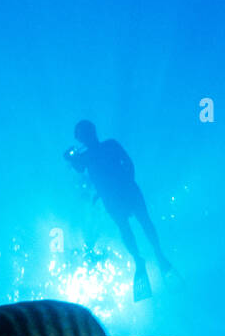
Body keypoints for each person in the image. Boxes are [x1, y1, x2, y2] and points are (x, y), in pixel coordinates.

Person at [64, 120, 172, 301]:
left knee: (135, 225)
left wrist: (70, 156)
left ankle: (148, 257)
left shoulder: (103, 148)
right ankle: (150, 256)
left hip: (120, 194)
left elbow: (126, 163)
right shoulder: (99, 150)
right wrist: (69, 157)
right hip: (121, 194)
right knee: (138, 225)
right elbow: (81, 167)